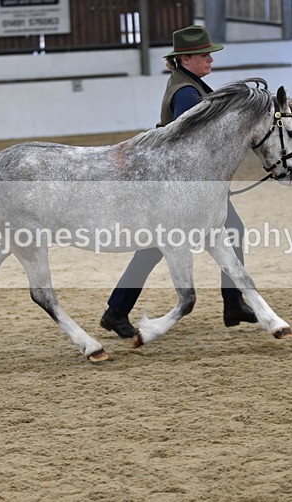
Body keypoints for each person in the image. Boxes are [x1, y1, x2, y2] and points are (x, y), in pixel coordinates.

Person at [99, 25, 258, 339]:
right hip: (183, 187)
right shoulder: (185, 92)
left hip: (180, 184)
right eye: (204, 55)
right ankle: (233, 302)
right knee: (227, 231)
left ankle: (117, 311)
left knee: (154, 247)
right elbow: (195, 142)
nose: (210, 60)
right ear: (185, 58)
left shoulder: (192, 84)